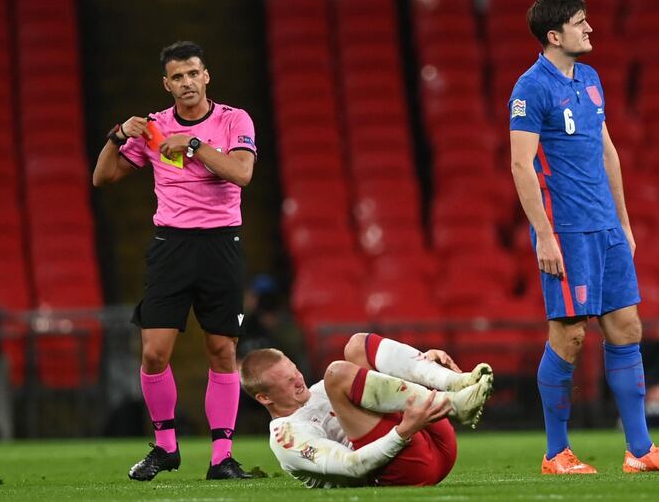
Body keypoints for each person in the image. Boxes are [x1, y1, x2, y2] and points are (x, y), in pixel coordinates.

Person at [508, 0, 659, 474]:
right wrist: (544, 235)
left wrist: (625, 223)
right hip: (567, 231)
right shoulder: (530, 88)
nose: (589, 28)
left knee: (627, 329)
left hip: (606, 229)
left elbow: (608, 153)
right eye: (579, 23)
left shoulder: (591, 80)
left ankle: (640, 450)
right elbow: (520, 164)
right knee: (570, 337)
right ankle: (556, 453)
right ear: (555, 36)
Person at [93, 41, 256, 481]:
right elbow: (102, 177)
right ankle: (166, 448)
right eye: (177, 77)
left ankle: (221, 457)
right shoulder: (154, 128)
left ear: (207, 76)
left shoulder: (233, 119)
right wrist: (117, 135)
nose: (186, 82)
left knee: (222, 350)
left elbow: (242, 172)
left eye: (193, 74)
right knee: (153, 352)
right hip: (171, 245)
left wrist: (196, 144)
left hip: (221, 243)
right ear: (166, 84)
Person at [239, 333, 494, 488]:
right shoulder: (287, 437)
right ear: (264, 398)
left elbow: (387, 383)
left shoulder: (318, 390)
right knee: (337, 374)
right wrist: (403, 432)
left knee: (356, 346)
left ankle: (452, 382)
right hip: (403, 471)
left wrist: (425, 370)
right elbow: (352, 467)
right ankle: (452, 405)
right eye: (287, 380)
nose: (298, 378)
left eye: (294, 369)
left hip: (435, 440)